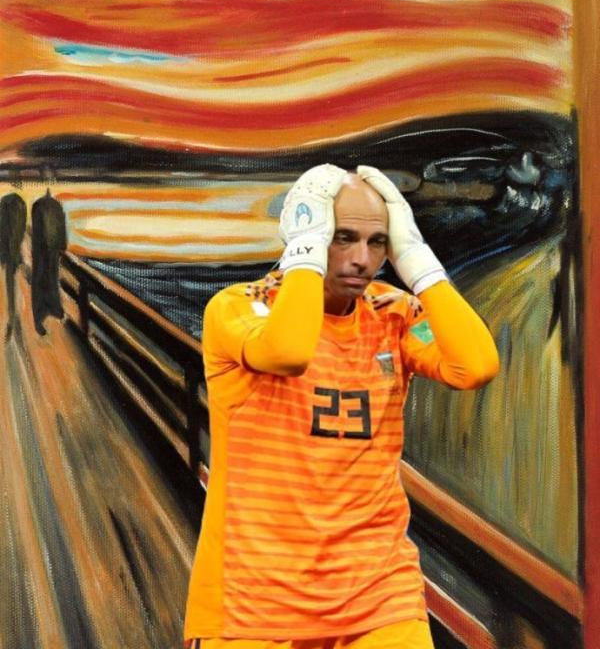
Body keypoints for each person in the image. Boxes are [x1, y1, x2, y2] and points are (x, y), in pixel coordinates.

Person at [184, 164, 500, 649]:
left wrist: (417, 261)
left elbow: (474, 366)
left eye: (378, 242)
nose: (361, 260)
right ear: (306, 232)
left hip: (378, 596)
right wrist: (305, 254)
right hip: (256, 601)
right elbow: (289, 352)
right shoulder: (238, 308)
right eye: (342, 237)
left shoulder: (392, 314)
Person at [31, 188, 67, 336]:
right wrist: (63, 246)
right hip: (52, 249)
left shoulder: (37, 205)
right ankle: (51, 309)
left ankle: (44, 312)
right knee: (51, 277)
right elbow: (62, 227)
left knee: (42, 280)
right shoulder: (57, 206)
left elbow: (35, 229)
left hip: (41, 250)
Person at [0, 192, 27, 339]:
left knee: (10, 284)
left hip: (8, 252)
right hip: (14, 252)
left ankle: (11, 316)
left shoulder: (4, 204)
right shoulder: (20, 205)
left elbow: (2, 230)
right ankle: (12, 315)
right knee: (11, 284)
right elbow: (21, 231)